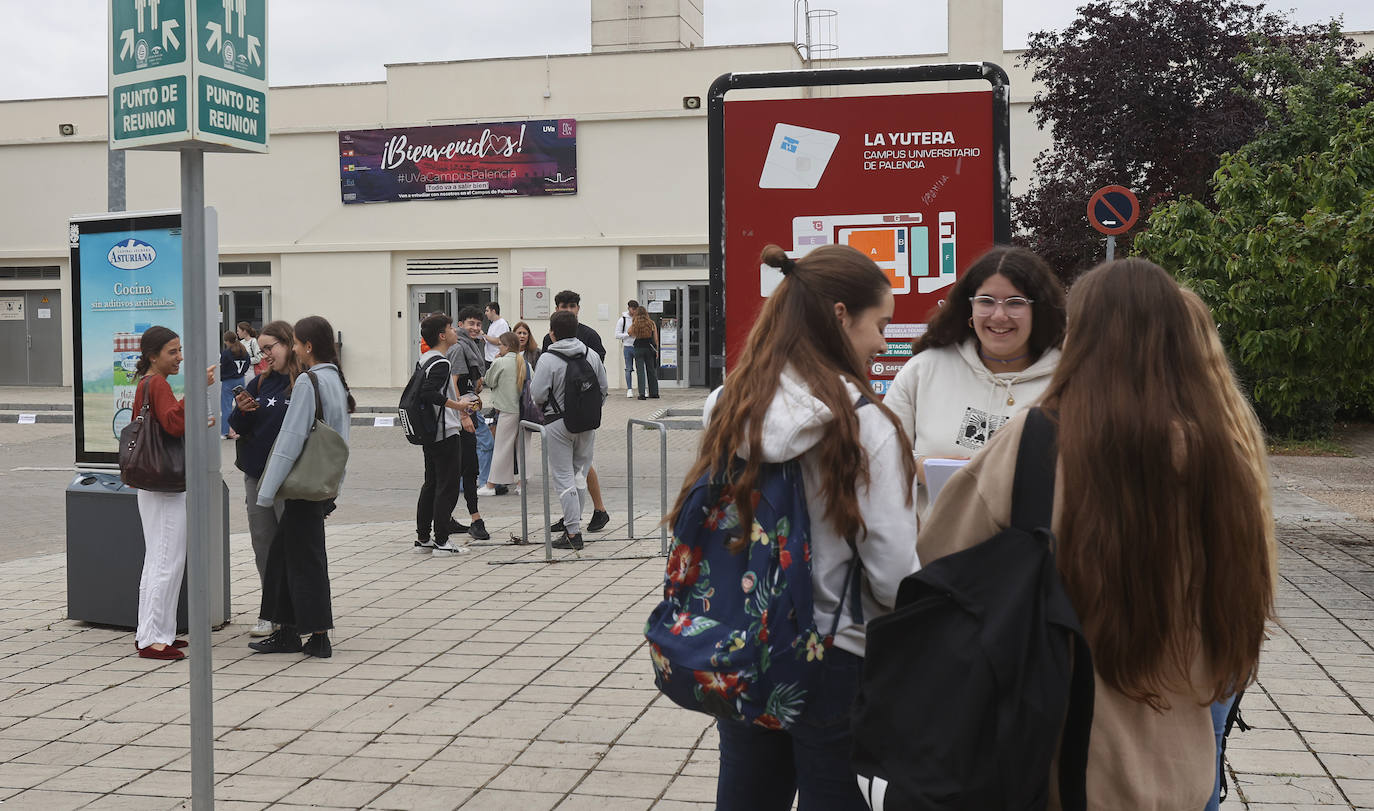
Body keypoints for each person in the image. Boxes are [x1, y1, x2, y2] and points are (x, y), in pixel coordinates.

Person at [917, 259, 1275, 809]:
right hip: (1181, 760)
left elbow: (942, 555)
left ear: (1077, 335)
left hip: (1064, 754)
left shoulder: (1035, 442)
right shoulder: (1222, 453)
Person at [681, 244, 918, 809]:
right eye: (879, 325)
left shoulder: (729, 402)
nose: (884, 342)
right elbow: (890, 570)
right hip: (837, 653)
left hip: (744, 638)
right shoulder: (863, 423)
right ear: (840, 315)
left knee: (746, 792)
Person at [882, 245, 1066, 515]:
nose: (999, 315)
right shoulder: (923, 371)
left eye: (1015, 302)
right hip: (937, 549)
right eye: (986, 301)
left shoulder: (1067, 378)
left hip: (1035, 550)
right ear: (969, 307)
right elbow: (878, 456)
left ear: (1038, 310)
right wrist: (922, 468)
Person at [249, 315, 356, 659]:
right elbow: (341, 438)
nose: (294, 348)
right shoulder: (336, 379)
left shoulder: (309, 381)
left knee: (304, 561)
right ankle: (289, 631)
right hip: (321, 483)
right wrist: (335, 486)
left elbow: (290, 439)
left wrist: (267, 491)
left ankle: (318, 635)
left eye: (296, 342)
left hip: (302, 486)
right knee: (285, 556)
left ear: (308, 347)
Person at [130, 326, 217, 661]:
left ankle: (153, 632)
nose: (180, 357)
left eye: (180, 350)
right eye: (172, 351)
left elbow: (170, 421)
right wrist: (197, 391)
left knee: (157, 558)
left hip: (151, 482)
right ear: (154, 356)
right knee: (167, 558)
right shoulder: (159, 384)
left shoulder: (146, 383)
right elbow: (174, 424)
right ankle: (154, 639)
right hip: (164, 484)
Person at [229, 320, 300, 638]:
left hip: (293, 480)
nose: (265, 354)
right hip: (256, 477)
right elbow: (240, 428)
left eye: (270, 347)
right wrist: (241, 412)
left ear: (289, 345)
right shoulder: (259, 383)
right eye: (263, 348)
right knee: (264, 547)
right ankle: (270, 611)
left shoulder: (303, 384)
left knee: (293, 548)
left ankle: (296, 612)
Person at [532, 310, 609, 550]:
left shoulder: (547, 358)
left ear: (552, 333)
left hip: (557, 423)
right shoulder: (591, 354)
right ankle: (573, 525)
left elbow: (537, 394)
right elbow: (603, 389)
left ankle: (573, 532)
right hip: (587, 423)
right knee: (579, 475)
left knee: (563, 476)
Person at [414, 313, 479, 556]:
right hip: (445, 431)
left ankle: (423, 539)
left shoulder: (425, 359)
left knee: (431, 483)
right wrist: (459, 406)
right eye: (451, 328)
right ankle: (442, 540)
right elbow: (430, 394)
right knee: (447, 486)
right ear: (442, 336)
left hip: (430, 431)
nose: (455, 332)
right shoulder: (441, 363)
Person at [447, 307, 493, 539]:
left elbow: (467, 384)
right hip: (459, 418)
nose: (475, 328)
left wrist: (475, 399)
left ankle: (451, 517)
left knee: (466, 468)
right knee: (467, 467)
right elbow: (453, 382)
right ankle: (474, 519)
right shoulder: (458, 347)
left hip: (468, 412)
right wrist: (463, 415)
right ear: (461, 324)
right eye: (470, 323)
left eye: (478, 324)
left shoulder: (472, 346)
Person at [484, 331, 530, 496]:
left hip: (506, 410)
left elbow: (488, 381)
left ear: (507, 346)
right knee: (523, 449)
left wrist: (495, 361)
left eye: (500, 345)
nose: (499, 348)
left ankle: (491, 484)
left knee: (502, 448)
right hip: (525, 412)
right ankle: (521, 484)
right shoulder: (525, 363)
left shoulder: (500, 362)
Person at [219, 331, 251, 439]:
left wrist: (222, 376)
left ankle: (225, 432)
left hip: (228, 381)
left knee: (226, 407)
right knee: (240, 406)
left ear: (227, 341)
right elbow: (248, 363)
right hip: (241, 380)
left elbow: (222, 367)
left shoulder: (227, 353)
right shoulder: (243, 351)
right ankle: (239, 430)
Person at [629, 305, 660, 400]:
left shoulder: (635, 323)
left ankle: (642, 394)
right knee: (651, 370)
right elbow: (656, 339)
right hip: (649, 348)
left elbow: (629, 332)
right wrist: (657, 350)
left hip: (638, 348)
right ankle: (654, 393)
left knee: (640, 372)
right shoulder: (651, 323)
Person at [614, 299, 640, 398]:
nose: (634, 311)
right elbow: (617, 335)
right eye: (633, 309)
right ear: (629, 308)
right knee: (628, 369)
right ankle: (629, 389)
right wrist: (628, 334)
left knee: (640, 369)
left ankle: (642, 388)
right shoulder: (622, 320)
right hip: (627, 347)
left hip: (638, 346)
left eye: (636, 309)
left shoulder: (639, 318)